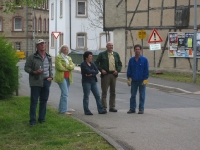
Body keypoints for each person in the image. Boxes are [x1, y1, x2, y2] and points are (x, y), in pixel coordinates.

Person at [24, 39, 53, 126]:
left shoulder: (48, 57)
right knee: (34, 101)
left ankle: (42, 119)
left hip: (46, 81)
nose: (43, 45)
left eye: (43, 44)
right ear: (37, 46)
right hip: (36, 82)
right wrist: (34, 72)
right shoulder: (32, 57)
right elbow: (26, 68)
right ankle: (32, 121)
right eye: (40, 44)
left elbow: (50, 68)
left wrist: (51, 77)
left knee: (44, 101)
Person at [95, 42, 122, 112]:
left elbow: (119, 63)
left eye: (112, 45)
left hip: (113, 74)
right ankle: (104, 107)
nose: (111, 46)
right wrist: (101, 69)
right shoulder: (102, 54)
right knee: (104, 91)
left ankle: (112, 107)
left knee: (113, 92)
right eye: (109, 45)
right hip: (106, 74)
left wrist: (118, 70)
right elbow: (96, 62)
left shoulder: (116, 54)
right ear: (106, 46)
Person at [127, 44, 149, 114]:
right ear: (134, 50)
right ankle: (132, 108)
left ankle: (141, 109)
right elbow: (129, 69)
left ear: (141, 50)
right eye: (136, 49)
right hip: (134, 80)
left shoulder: (144, 60)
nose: (137, 50)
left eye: (138, 49)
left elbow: (146, 70)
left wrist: (146, 79)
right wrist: (128, 78)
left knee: (142, 95)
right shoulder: (131, 60)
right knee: (133, 95)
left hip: (142, 80)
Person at [54, 45, 75, 115]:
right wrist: (68, 67)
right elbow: (59, 67)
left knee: (64, 94)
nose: (66, 49)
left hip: (68, 77)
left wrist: (66, 66)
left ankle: (61, 109)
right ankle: (64, 110)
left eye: (67, 48)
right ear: (61, 50)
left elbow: (73, 67)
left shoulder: (69, 58)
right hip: (61, 77)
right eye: (64, 48)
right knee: (65, 94)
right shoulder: (58, 57)